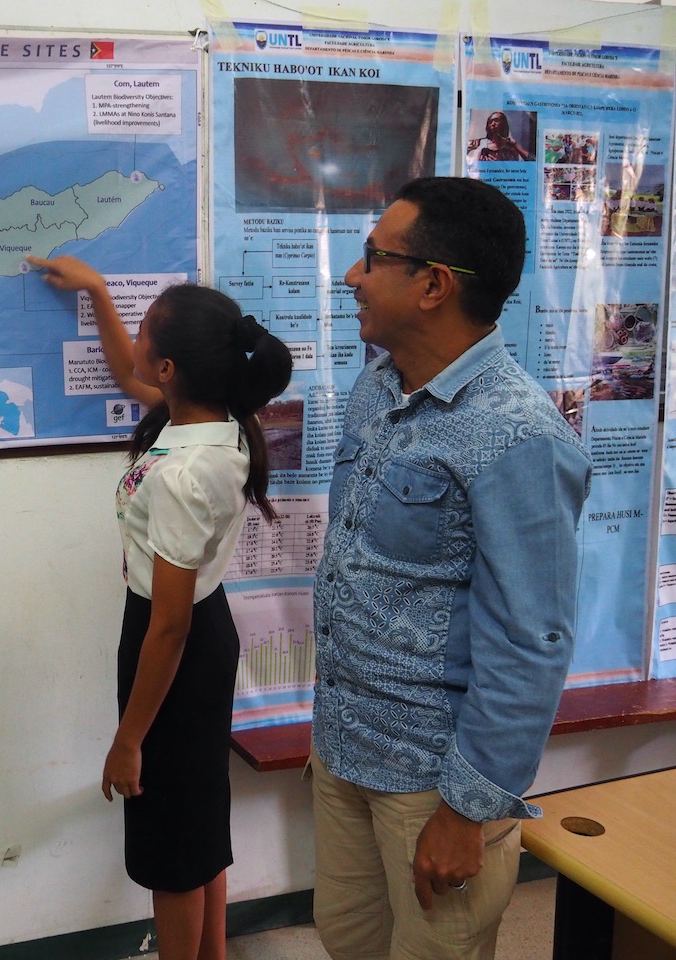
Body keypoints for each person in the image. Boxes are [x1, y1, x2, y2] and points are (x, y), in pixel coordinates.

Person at [310, 177, 592, 960]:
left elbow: (531, 640)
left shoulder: (516, 435)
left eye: (373, 258)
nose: (352, 276)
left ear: (433, 285)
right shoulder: (380, 384)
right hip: (343, 749)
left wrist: (467, 810)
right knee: (347, 939)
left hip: (432, 784)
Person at [28, 255, 293, 960]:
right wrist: (99, 293)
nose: (139, 346)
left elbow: (167, 624)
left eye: (146, 333)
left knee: (173, 837)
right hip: (201, 633)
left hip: (172, 641)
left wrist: (127, 738)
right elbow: (130, 376)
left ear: (173, 368)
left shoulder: (182, 473)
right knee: (199, 816)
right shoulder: (220, 423)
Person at [467, 111, 533, 163]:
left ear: (504, 124)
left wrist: (516, 147)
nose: (493, 124)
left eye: (496, 120)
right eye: (490, 122)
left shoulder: (511, 148)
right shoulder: (478, 144)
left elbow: (534, 163)